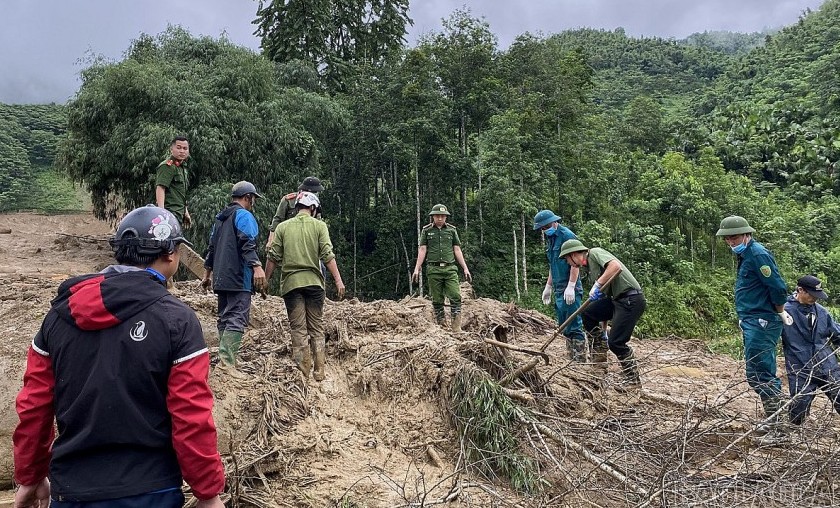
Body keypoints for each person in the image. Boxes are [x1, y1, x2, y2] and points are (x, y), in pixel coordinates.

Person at [13, 205, 225, 508]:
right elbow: (191, 417)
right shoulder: (177, 321)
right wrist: (208, 492)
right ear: (170, 253)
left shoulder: (57, 317)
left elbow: (34, 407)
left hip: (72, 491)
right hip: (151, 491)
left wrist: (30, 476)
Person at [716, 215, 792, 442]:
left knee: (760, 372)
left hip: (763, 321)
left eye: (735, 237)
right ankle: (774, 419)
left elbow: (777, 287)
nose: (731, 242)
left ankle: (780, 429)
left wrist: (779, 311)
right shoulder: (745, 254)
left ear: (747, 234)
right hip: (753, 319)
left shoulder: (758, 254)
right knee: (757, 372)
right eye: (728, 239)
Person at [265, 191, 345, 381]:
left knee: (298, 328)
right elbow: (327, 255)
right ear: (312, 208)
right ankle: (319, 371)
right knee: (316, 327)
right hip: (315, 285)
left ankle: (303, 371)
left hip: (292, 285)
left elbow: (273, 256)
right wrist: (338, 280)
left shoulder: (283, 228)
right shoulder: (320, 226)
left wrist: (265, 279)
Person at [559, 239, 646, 389]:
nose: (569, 263)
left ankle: (633, 379)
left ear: (573, 254)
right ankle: (599, 352)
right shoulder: (591, 268)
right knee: (589, 313)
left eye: (567, 259)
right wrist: (603, 330)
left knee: (616, 342)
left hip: (630, 300)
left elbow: (615, 266)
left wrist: (598, 284)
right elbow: (605, 299)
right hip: (616, 301)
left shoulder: (595, 253)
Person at [202, 181, 268, 377]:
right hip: (239, 276)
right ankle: (227, 363)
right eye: (253, 199)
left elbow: (211, 248)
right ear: (247, 197)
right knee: (238, 317)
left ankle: (225, 360)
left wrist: (207, 275)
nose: (253, 202)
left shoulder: (220, 219)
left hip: (221, 278)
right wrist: (257, 267)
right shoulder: (244, 216)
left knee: (224, 317)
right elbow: (247, 243)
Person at [781, 275, 840, 426]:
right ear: (800, 290)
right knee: (799, 404)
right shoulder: (784, 311)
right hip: (800, 366)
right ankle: (794, 430)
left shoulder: (822, 312)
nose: (815, 299)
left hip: (827, 364)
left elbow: (836, 334)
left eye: (817, 296)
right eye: (812, 295)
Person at [533, 210, 585, 361]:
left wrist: (571, 286)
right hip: (558, 288)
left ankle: (580, 361)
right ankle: (571, 359)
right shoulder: (551, 239)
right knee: (564, 325)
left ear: (553, 222)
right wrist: (548, 286)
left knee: (574, 324)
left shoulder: (567, 236)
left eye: (546, 227)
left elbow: (577, 262)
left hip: (570, 287)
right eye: (542, 229)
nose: (544, 230)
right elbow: (553, 264)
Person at [412, 204, 473, 332]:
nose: (440, 218)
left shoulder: (451, 230)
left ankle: (456, 327)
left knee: (455, 296)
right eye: (437, 216)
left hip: (450, 269)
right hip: (433, 270)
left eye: (442, 216)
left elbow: (457, 249)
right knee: (437, 299)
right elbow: (422, 249)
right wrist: (417, 269)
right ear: (433, 217)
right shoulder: (427, 231)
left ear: (446, 217)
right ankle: (442, 326)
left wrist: (465, 268)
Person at [265, 176, 324, 249]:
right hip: (288, 239)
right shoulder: (289, 200)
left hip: (307, 241)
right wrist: (271, 240)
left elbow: (318, 222)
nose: (316, 194)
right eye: (315, 192)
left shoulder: (315, 203)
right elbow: (277, 219)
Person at [154, 136, 192, 227]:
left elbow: (180, 193)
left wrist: (185, 212)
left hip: (178, 214)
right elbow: (160, 188)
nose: (182, 151)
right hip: (169, 214)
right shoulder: (167, 166)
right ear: (171, 149)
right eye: (178, 148)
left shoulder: (182, 168)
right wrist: (162, 213)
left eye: (185, 148)